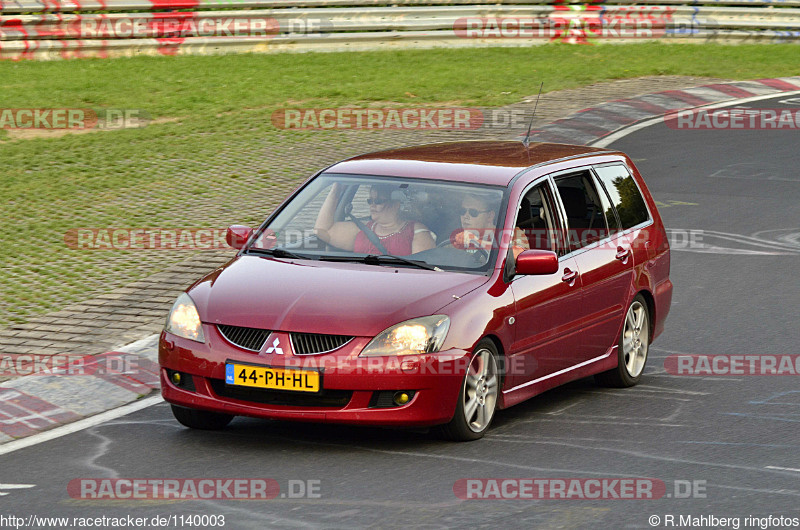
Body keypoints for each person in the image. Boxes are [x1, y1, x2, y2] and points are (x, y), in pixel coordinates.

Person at [314, 182, 435, 256]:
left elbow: (422, 273)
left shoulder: (416, 230)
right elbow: (322, 230)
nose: (372, 205)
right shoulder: (362, 229)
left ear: (396, 204)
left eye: (378, 201)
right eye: (369, 201)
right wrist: (336, 190)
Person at [454, 193, 529, 259]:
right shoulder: (458, 235)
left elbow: (518, 254)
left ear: (490, 216)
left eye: (473, 212)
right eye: (462, 211)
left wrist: (477, 242)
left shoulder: (513, 233)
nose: (466, 216)